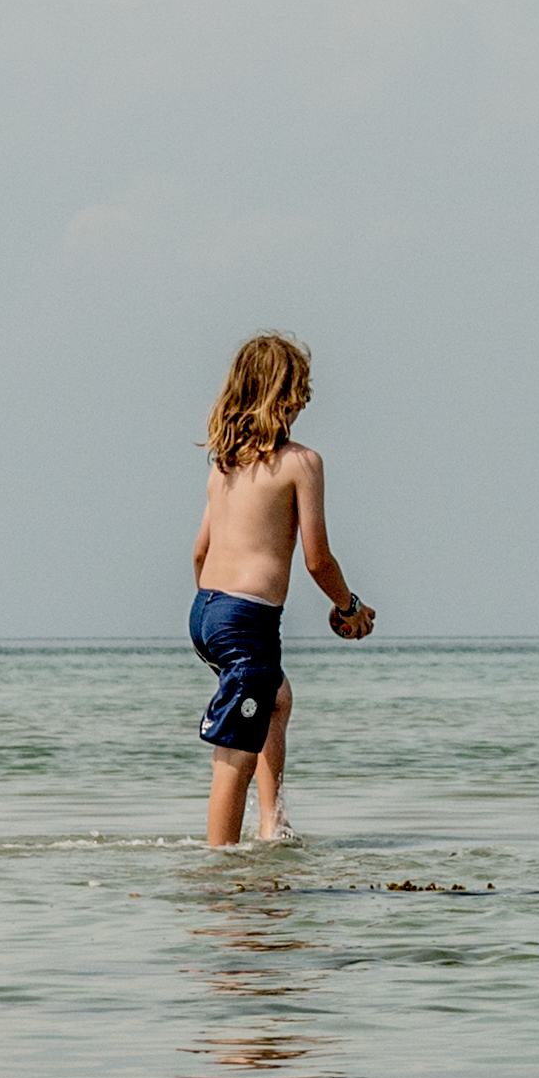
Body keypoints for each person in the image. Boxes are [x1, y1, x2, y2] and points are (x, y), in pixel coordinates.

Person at [190, 332, 376, 845]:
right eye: (300, 391)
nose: (305, 401)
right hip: (246, 618)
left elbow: (200, 552)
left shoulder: (225, 466)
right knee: (235, 755)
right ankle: (220, 868)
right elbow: (317, 558)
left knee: (276, 698)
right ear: (282, 394)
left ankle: (272, 824)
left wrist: (217, 616)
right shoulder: (300, 463)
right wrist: (349, 606)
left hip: (207, 611)